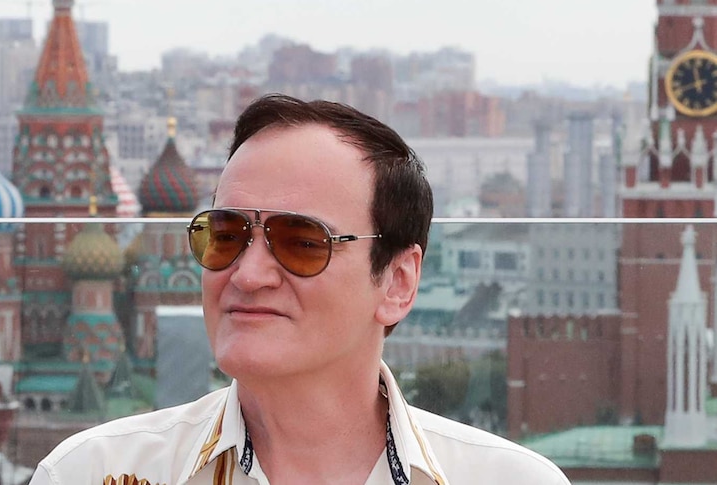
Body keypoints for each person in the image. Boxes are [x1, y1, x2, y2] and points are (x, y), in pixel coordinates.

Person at [30, 94, 571, 484]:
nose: (247, 274)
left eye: (302, 242)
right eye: (224, 235)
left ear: (397, 284)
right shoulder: (93, 473)